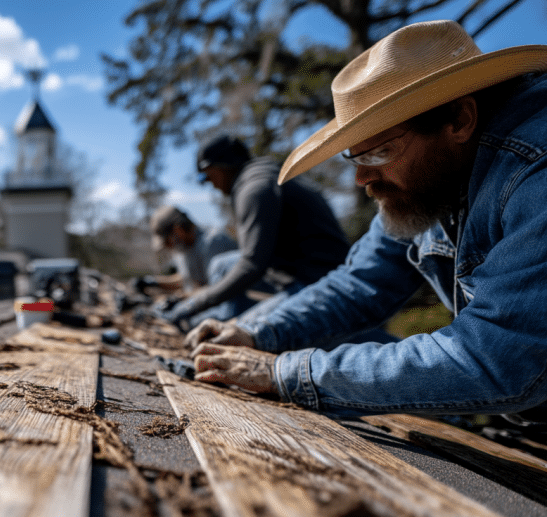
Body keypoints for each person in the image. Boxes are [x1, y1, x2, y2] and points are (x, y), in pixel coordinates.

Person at [188, 20, 547, 421]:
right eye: (356, 157)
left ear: (459, 120)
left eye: (379, 153)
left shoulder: (537, 173)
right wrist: (260, 333)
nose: (362, 179)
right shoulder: (430, 179)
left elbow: (496, 357)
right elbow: (360, 282)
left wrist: (285, 372)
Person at [157, 134, 350, 330]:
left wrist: (193, 305)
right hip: (291, 270)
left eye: (206, 175)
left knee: (240, 332)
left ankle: (226, 320)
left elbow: (252, 265)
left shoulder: (254, 188)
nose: (209, 183)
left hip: (318, 282)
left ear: (223, 165)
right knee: (222, 265)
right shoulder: (256, 176)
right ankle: (225, 314)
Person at [141, 205, 236, 294]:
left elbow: (218, 290)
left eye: (167, 242)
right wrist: (152, 282)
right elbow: (185, 280)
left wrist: (183, 299)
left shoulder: (213, 242)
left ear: (178, 230)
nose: (168, 247)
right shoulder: (182, 251)